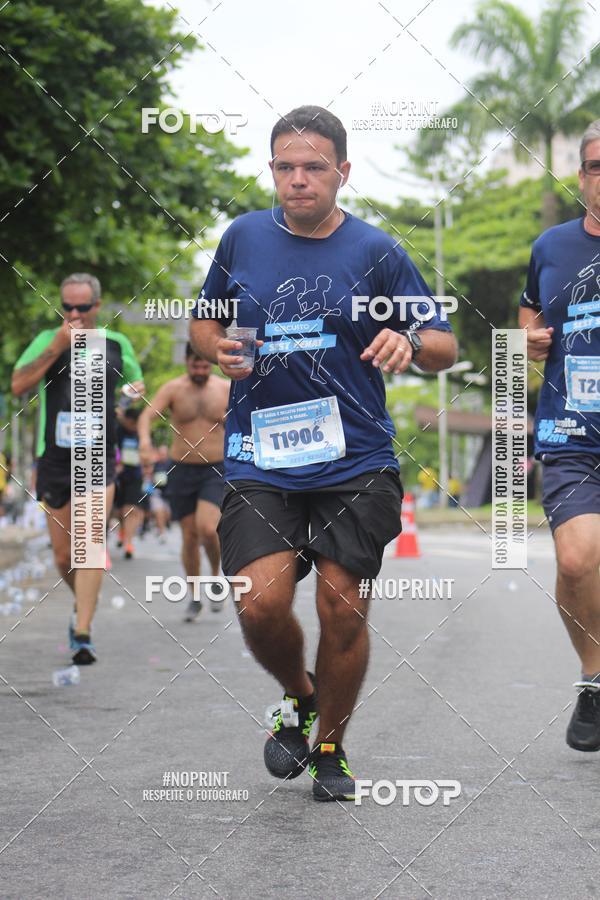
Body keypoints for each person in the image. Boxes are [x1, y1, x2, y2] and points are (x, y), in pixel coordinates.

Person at [190, 105, 457, 801]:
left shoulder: (378, 251)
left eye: (314, 167)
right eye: (285, 167)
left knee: (343, 605)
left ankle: (332, 746)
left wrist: (411, 343)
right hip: (259, 456)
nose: (298, 180)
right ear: (271, 170)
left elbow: (442, 342)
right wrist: (210, 348)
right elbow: (203, 320)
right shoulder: (242, 238)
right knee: (260, 604)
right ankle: (299, 694)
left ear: (343, 171)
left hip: (356, 458)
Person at [11, 273, 143, 664]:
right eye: (66, 307)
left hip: (99, 455)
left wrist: (131, 394)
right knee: (63, 556)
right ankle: (80, 607)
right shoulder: (45, 341)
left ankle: (83, 633)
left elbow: (136, 384)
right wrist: (56, 345)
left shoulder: (116, 344)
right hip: (54, 457)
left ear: (97, 307)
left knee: (89, 542)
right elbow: (19, 384)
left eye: (82, 308)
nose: (73, 314)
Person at [520, 118, 600, 751]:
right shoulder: (551, 246)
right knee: (576, 560)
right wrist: (528, 341)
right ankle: (595, 679)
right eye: (598, 167)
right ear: (582, 178)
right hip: (571, 428)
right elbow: (527, 321)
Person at [138, 343, 229, 620]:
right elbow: (147, 416)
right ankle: (194, 596)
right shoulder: (174, 388)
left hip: (216, 468)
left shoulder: (225, 388)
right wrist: (144, 442)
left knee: (208, 529)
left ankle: (214, 577)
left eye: (204, 366)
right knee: (189, 536)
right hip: (181, 469)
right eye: (195, 365)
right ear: (186, 362)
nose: (200, 370)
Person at [114, 406, 144, 559]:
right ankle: (122, 531)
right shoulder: (116, 431)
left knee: (130, 510)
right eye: (132, 423)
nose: (134, 426)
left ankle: (128, 544)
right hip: (117, 475)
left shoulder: (141, 433)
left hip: (135, 475)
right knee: (119, 511)